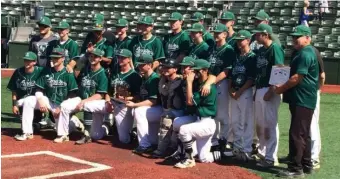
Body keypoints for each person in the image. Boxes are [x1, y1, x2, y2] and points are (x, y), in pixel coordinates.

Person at [274, 25, 319, 178]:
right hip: (303, 98)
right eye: (293, 36)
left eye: (297, 36)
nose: (294, 39)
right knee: (303, 133)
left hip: (303, 98)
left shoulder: (305, 53)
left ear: (308, 38)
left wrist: (281, 88)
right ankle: (306, 163)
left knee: (296, 133)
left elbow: (297, 78)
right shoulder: (306, 52)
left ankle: (295, 168)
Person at [14, 48, 78, 141]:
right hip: (48, 101)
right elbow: (39, 89)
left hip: (61, 104)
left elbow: (72, 93)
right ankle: (27, 132)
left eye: (57, 58)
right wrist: (40, 101)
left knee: (61, 129)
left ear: (63, 58)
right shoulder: (47, 71)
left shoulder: (68, 73)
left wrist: (60, 107)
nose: (54, 60)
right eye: (53, 57)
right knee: (29, 100)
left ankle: (73, 123)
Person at [82, 49, 142, 144]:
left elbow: (138, 96)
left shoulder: (135, 76)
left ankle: (133, 131)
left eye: (123, 58)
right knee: (88, 106)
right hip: (111, 102)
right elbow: (108, 92)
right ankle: (100, 129)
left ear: (129, 59)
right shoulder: (114, 73)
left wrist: (127, 98)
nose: (120, 59)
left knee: (124, 139)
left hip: (124, 106)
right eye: (119, 57)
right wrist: (108, 102)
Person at [173, 59, 221, 169]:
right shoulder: (201, 82)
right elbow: (212, 76)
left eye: (196, 70)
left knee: (184, 129)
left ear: (204, 71)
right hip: (199, 120)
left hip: (207, 123)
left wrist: (189, 82)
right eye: (193, 70)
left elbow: (190, 102)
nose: (193, 73)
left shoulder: (208, 88)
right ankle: (219, 150)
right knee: (204, 158)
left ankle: (189, 158)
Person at [55, 48, 108, 144]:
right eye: (91, 56)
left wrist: (84, 101)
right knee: (64, 106)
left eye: (95, 57)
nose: (92, 58)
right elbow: (77, 82)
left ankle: (106, 127)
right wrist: (71, 68)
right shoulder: (85, 69)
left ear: (100, 59)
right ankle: (63, 134)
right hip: (81, 98)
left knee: (96, 135)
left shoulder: (103, 74)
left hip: (95, 102)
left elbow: (100, 95)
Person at [252, 24, 284, 167]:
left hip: (269, 90)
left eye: (258, 34)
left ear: (266, 35)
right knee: (261, 124)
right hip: (260, 88)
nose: (256, 37)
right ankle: (263, 153)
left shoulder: (275, 48)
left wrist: (272, 91)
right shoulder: (261, 50)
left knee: (270, 124)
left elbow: (280, 70)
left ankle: (271, 157)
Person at [202, 23, 236, 151]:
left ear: (225, 34)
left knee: (223, 114)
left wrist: (212, 82)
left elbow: (226, 71)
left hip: (221, 83)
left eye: (218, 33)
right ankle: (214, 140)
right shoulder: (211, 48)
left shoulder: (229, 50)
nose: (216, 34)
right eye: (215, 32)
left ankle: (224, 139)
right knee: (213, 113)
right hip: (210, 83)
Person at [226, 30, 256, 161]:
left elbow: (251, 78)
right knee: (234, 120)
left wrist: (240, 91)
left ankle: (247, 150)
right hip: (235, 91)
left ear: (248, 40)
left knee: (246, 121)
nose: (239, 42)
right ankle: (237, 147)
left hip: (246, 91)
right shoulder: (236, 56)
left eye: (241, 40)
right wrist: (230, 89)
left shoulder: (252, 57)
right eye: (237, 40)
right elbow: (231, 75)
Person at [126, 54, 163, 154]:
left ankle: (144, 145)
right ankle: (150, 143)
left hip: (159, 109)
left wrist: (134, 105)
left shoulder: (154, 79)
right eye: (139, 65)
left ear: (150, 65)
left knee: (138, 111)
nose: (139, 67)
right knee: (154, 141)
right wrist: (131, 98)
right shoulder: (145, 77)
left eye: (142, 65)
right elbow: (143, 96)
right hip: (151, 109)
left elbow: (153, 101)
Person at [150, 58, 186, 159]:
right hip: (166, 110)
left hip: (179, 112)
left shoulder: (181, 81)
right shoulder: (163, 80)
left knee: (166, 120)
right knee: (165, 119)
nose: (165, 69)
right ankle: (164, 148)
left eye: (168, 67)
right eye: (164, 67)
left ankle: (164, 149)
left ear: (175, 69)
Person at [7, 52, 44, 129]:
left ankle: (45, 119)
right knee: (25, 128)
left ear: (35, 62)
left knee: (36, 127)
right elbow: (14, 90)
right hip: (22, 102)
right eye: (25, 60)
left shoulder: (41, 71)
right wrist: (14, 105)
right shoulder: (18, 72)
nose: (27, 62)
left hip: (36, 102)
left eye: (29, 60)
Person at [310, 46, 325, 169]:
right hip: (304, 94)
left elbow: (322, 75)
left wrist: (318, 90)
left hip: (311, 93)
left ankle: (314, 157)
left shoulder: (314, 52)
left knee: (312, 124)